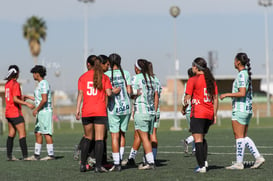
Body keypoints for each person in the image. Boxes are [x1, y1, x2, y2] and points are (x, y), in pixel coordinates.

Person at [220, 52, 265, 170]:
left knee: (239, 136)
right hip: (247, 109)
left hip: (240, 109)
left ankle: (239, 163)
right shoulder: (245, 74)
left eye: (234, 60)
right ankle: (258, 157)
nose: (233, 62)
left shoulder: (241, 75)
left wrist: (227, 94)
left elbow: (242, 93)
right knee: (243, 136)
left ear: (238, 62)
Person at [76, 55, 120, 173]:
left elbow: (80, 94)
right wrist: (115, 91)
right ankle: (98, 166)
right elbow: (109, 93)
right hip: (99, 111)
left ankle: (83, 165)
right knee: (99, 139)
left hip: (86, 111)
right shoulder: (104, 77)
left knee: (87, 137)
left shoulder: (83, 77)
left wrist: (77, 110)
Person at [182, 57, 218, 173]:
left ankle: (201, 166)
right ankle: (204, 162)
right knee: (202, 137)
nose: (192, 68)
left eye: (193, 66)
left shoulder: (193, 80)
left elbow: (187, 98)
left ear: (196, 67)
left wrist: (183, 108)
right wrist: (215, 114)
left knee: (198, 139)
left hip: (198, 113)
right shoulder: (210, 80)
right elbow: (215, 99)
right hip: (209, 114)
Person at [105, 53, 132, 171]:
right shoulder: (126, 74)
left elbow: (106, 92)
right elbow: (129, 91)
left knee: (114, 136)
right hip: (126, 107)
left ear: (109, 63)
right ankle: (120, 158)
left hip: (113, 108)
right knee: (122, 134)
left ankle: (116, 163)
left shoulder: (105, 75)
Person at [131, 59, 158, 170]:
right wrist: (155, 111)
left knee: (144, 138)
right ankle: (147, 160)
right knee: (147, 137)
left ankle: (150, 162)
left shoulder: (136, 78)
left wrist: (135, 94)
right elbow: (156, 95)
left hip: (141, 112)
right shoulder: (153, 79)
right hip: (151, 112)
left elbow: (131, 93)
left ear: (137, 68)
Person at [4, 65, 34, 161]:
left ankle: (9, 156)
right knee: (22, 133)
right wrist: (27, 104)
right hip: (15, 113)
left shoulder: (7, 84)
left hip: (8, 113)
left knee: (11, 133)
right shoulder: (15, 84)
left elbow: (15, 97)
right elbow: (15, 99)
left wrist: (28, 97)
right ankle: (25, 156)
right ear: (16, 73)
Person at [26, 65, 55, 161]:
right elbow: (39, 99)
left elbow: (44, 100)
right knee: (38, 132)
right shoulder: (40, 84)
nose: (32, 75)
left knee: (46, 133)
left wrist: (36, 109)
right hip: (41, 112)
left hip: (45, 112)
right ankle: (36, 155)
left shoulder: (43, 83)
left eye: (33, 73)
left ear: (37, 74)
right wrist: (28, 97)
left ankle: (51, 155)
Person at [181, 68, 196, 155]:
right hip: (193, 111)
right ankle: (187, 140)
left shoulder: (187, 84)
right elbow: (187, 98)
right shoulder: (194, 83)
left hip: (188, 111)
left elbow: (185, 98)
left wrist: (183, 108)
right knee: (199, 131)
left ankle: (194, 150)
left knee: (194, 131)